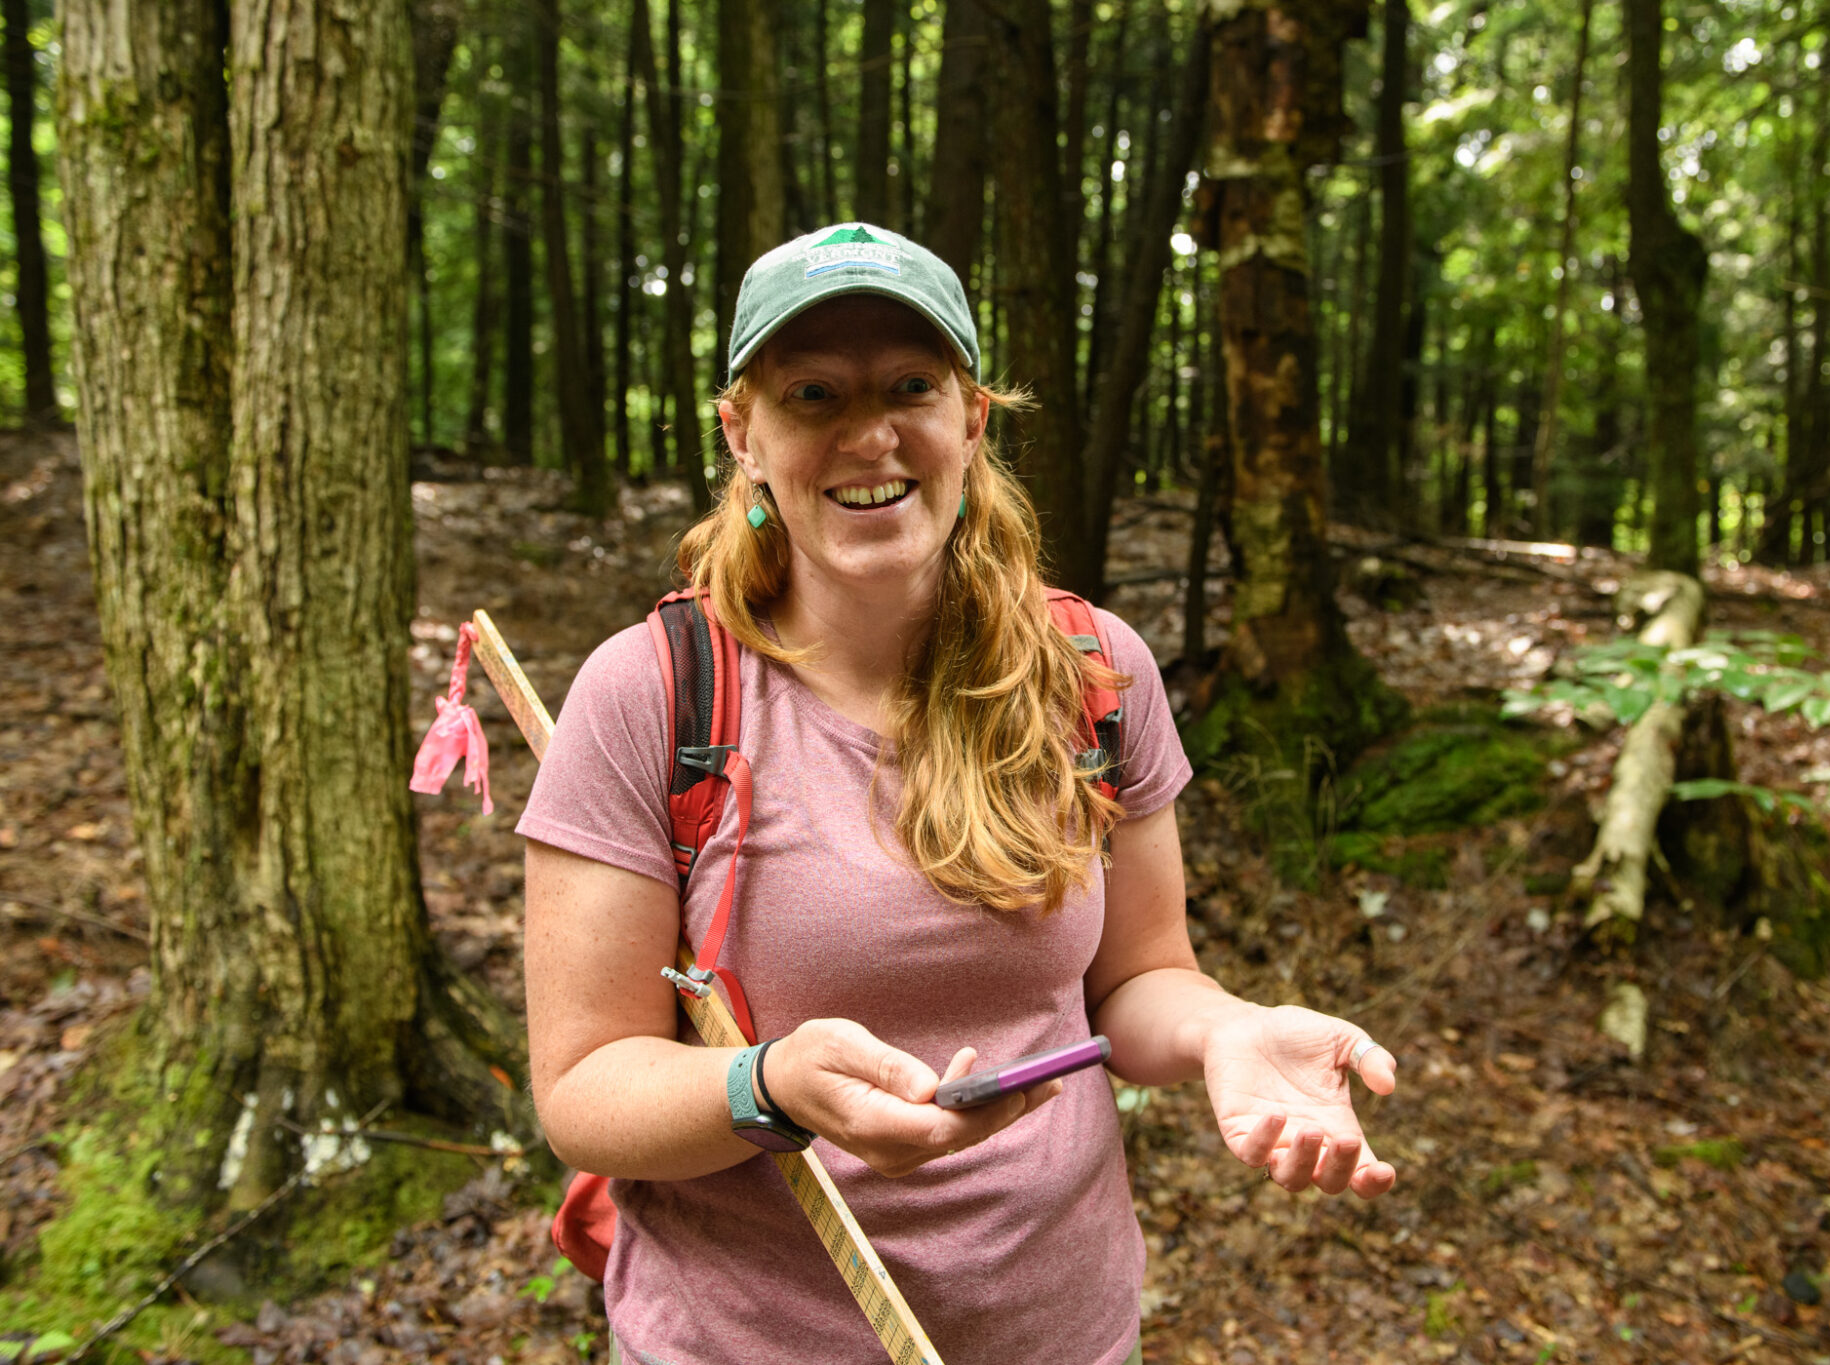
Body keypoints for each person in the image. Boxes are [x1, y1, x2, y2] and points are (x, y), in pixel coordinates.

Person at [518, 223, 1399, 1365]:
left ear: (971, 418)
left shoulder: (1094, 672)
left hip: (1063, 1333)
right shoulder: (655, 697)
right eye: (813, 393)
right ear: (743, 434)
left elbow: (1137, 979)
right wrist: (771, 1085)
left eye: (910, 386)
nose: (868, 435)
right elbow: (583, 1091)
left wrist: (1227, 1029)